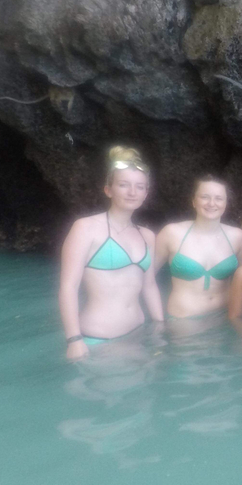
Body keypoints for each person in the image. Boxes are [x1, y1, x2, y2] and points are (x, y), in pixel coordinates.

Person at [59, 146, 164, 360]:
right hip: (98, 339)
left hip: (139, 335)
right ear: (108, 189)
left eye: (139, 187)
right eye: (123, 185)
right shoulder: (85, 228)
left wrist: (161, 327)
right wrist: (74, 340)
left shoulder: (147, 236)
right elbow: (68, 287)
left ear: (146, 193)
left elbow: (149, 285)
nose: (132, 192)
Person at [155, 175, 242, 318]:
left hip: (225, 318)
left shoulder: (237, 237)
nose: (211, 203)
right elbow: (146, 277)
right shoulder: (171, 233)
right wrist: (157, 318)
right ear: (193, 201)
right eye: (205, 197)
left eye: (218, 198)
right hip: (183, 320)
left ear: (226, 203)